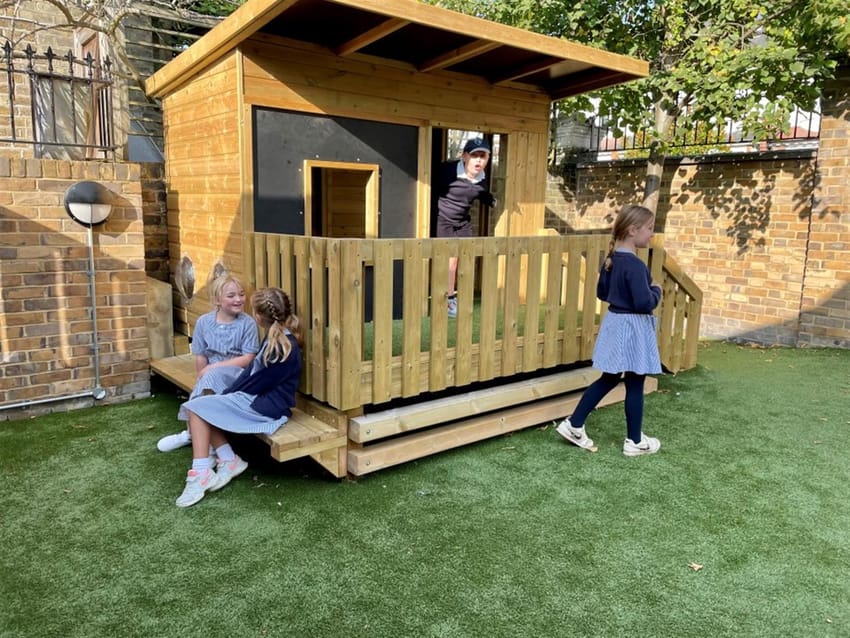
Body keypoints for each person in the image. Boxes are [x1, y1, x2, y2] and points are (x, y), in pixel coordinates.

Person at [175, 287, 303, 508]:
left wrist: (230, 396)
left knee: (198, 408)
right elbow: (251, 374)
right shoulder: (274, 339)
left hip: (266, 409)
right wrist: (228, 395)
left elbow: (258, 383)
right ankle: (226, 460)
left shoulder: (284, 348)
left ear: (258, 317)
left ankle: (202, 472)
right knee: (201, 406)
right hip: (254, 400)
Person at [555, 204, 663, 457]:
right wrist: (656, 290)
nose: (652, 233)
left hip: (615, 322)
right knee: (635, 381)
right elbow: (643, 303)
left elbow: (602, 293)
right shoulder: (635, 265)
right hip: (633, 326)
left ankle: (575, 424)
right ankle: (634, 442)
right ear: (633, 230)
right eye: (649, 228)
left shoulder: (611, 260)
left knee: (610, 376)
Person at [157, 273, 260, 453]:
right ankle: (199, 436)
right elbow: (200, 355)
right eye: (231, 295)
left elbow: (248, 358)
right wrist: (201, 376)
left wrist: (213, 368)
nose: (238, 299)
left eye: (241, 294)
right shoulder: (204, 322)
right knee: (206, 383)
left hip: (237, 375)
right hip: (210, 376)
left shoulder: (247, 323)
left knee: (210, 377)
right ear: (217, 300)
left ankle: (194, 435)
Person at [434, 136, 497, 317]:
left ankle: (456, 297)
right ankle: (447, 299)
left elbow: (481, 193)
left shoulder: (482, 178)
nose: (478, 160)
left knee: (465, 256)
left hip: (463, 222)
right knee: (448, 260)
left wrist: (492, 201)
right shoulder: (447, 171)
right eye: (474, 155)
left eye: (483, 156)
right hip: (443, 219)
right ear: (464, 156)